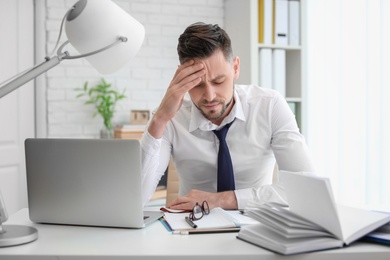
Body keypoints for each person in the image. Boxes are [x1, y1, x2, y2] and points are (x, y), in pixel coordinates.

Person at [140, 22, 316, 211]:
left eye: (218, 81)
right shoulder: (170, 117)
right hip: (191, 230)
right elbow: (136, 199)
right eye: (197, 84)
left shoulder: (269, 105)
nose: (209, 96)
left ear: (235, 68)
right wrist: (159, 119)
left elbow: (306, 189)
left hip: (257, 227)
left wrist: (220, 200)